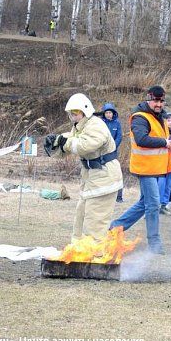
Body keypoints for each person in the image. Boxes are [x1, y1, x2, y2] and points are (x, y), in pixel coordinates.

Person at [45, 93, 123, 241]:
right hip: (91, 177)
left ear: (85, 111)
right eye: (70, 114)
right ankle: (77, 255)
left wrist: (64, 141)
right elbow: (71, 141)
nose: (72, 117)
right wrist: (55, 144)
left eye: (75, 114)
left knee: (95, 224)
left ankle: (95, 259)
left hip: (104, 178)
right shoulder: (80, 126)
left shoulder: (96, 125)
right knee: (80, 220)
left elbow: (84, 145)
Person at [110, 86, 171, 254]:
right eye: (156, 100)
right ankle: (154, 243)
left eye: (161, 101)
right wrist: (165, 142)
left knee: (144, 203)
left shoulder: (160, 116)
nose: (159, 104)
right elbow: (141, 139)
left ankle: (115, 227)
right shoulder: (140, 117)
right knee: (153, 204)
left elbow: (162, 137)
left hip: (157, 168)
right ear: (148, 99)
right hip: (145, 168)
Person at [99, 103, 123, 202]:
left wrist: (113, 147)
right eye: (107, 112)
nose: (109, 114)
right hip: (101, 152)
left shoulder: (117, 123)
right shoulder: (100, 123)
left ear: (113, 113)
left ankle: (119, 197)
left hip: (113, 152)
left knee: (116, 174)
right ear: (104, 114)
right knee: (101, 173)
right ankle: (103, 195)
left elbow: (119, 137)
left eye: (110, 113)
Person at [160, 112, 171, 215]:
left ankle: (164, 205)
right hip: (162, 164)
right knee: (160, 185)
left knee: (168, 186)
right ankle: (157, 205)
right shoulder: (161, 132)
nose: (170, 123)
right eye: (168, 120)